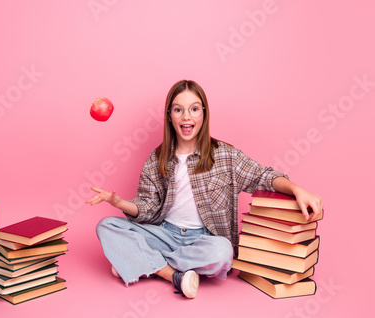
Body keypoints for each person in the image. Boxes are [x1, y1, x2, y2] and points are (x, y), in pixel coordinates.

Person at [86, 80, 323, 299]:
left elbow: (263, 176)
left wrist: (296, 190)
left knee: (223, 252)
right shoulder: (156, 159)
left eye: (194, 109)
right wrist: (118, 203)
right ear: (169, 116)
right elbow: (147, 207)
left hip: (204, 240)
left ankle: (140, 261)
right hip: (165, 235)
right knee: (106, 226)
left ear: (204, 114)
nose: (186, 116)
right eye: (178, 109)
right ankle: (173, 276)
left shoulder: (224, 155)